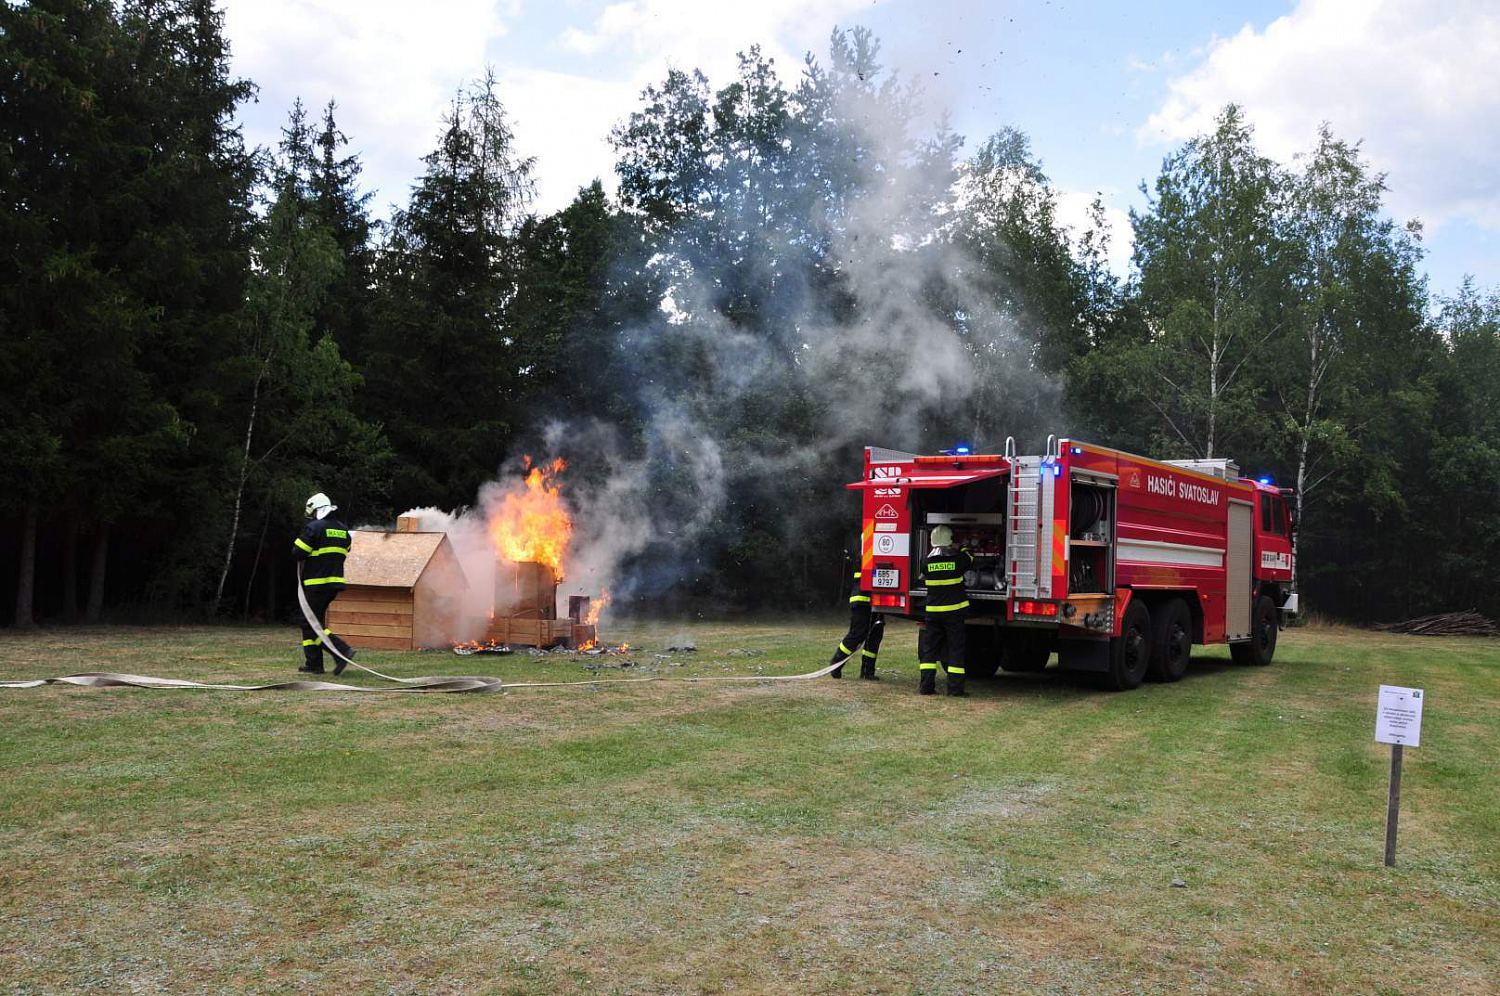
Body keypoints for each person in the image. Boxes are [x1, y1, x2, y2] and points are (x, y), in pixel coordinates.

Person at [293, 492, 355, 675]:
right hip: (333, 584)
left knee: (308, 622)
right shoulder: (344, 530)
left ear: (318, 509)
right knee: (312, 622)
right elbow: (346, 549)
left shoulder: (314, 527)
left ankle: (342, 651)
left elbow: (297, 552)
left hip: (316, 584)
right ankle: (314, 664)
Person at [918, 524, 972, 697]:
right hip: (954, 614)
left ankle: (926, 688)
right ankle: (955, 690)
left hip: (933, 614)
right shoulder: (958, 561)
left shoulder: (925, 562)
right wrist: (962, 546)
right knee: (955, 649)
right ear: (950, 541)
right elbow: (970, 558)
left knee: (930, 651)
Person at [829, 563, 884, 680]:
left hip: (876, 599)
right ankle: (836, 663)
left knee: (874, 635)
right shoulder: (866, 552)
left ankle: (867, 672)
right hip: (862, 599)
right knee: (857, 634)